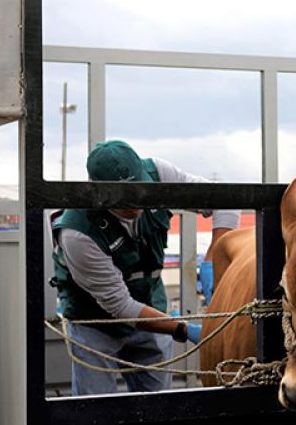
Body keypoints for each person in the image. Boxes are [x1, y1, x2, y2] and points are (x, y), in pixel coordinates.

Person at [50, 140, 240, 395]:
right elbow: (122, 307)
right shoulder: (78, 233)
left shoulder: (158, 175)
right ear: (100, 195)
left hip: (152, 307)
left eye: (139, 190)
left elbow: (225, 200)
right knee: (95, 413)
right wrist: (185, 329)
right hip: (94, 324)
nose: (136, 203)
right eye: (124, 198)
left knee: (158, 407)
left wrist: (214, 260)